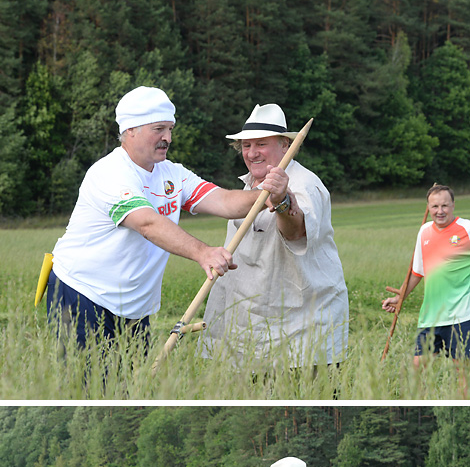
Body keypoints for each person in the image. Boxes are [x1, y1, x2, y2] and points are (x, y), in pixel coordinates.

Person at [46, 85, 286, 351]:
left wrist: (268, 195)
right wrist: (203, 252)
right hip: (83, 292)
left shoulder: (172, 173)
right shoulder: (109, 173)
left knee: (130, 386)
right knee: (87, 386)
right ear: (130, 130)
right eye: (158, 129)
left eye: (170, 129)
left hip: (134, 306)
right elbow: (147, 223)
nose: (168, 138)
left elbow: (225, 201)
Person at [203, 103, 348, 368]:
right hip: (249, 326)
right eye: (246, 146)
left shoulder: (305, 184)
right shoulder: (248, 184)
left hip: (302, 328)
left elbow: (296, 232)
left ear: (285, 145)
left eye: (261, 144)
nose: (252, 153)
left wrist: (282, 201)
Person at [382, 183, 470, 365]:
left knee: (463, 374)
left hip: (462, 316)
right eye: (435, 206)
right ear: (428, 207)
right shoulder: (424, 231)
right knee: (415, 370)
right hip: (431, 316)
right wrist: (400, 297)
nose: (440, 211)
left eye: (444, 205)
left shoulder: (466, 228)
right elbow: (417, 272)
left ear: (453, 205)